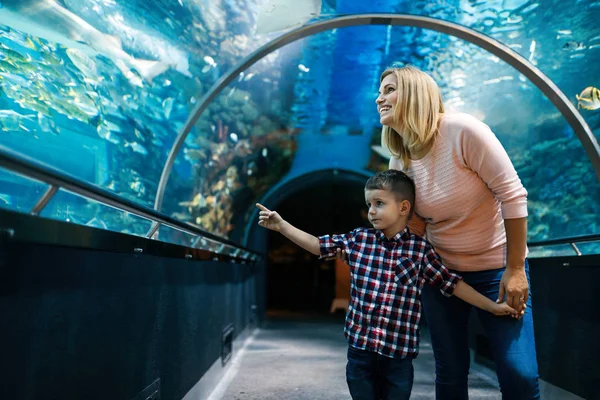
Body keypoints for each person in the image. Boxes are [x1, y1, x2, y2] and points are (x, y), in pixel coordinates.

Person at [256, 169, 520, 400]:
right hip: (360, 351)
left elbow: (452, 284)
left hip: (398, 356)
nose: (371, 211)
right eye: (369, 204)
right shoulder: (358, 240)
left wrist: (491, 307)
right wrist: (282, 227)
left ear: (404, 208)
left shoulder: (420, 251)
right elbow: (318, 245)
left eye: (379, 203)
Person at [365, 64, 539, 399]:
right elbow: (414, 228)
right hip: (442, 278)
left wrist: (515, 269)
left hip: (497, 270)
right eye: (380, 91)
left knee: (520, 373)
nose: (379, 98)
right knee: (450, 372)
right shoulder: (399, 162)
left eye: (389, 89)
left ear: (415, 94)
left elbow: (512, 194)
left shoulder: (463, 131)